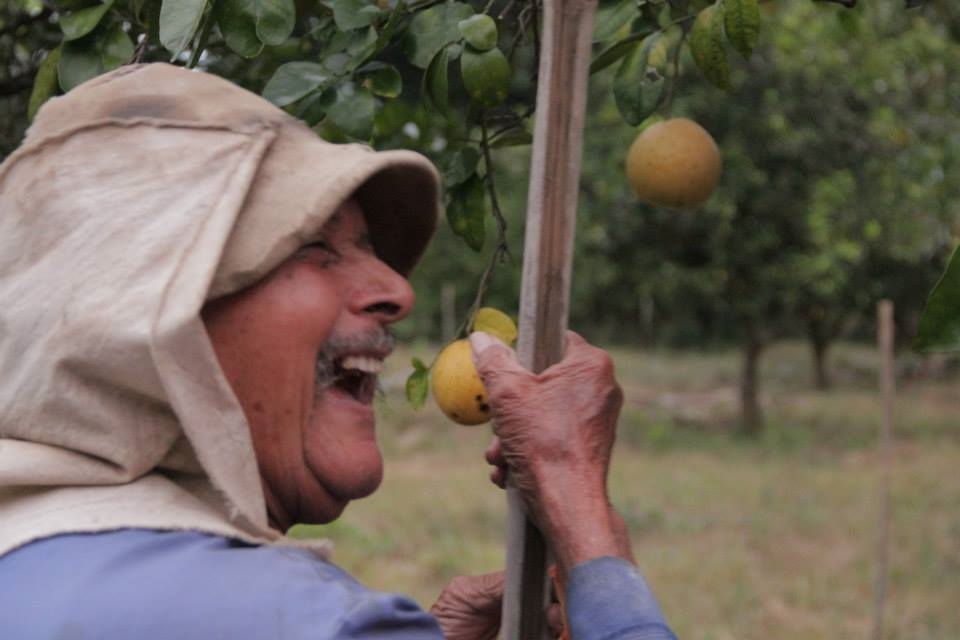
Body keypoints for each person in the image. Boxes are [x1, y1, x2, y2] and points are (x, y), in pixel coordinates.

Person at [0, 64, 676, 640]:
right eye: (316, 248)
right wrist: (579, 504)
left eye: (369, 249)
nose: (397, 291)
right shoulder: (292, 620)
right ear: (149, 317)